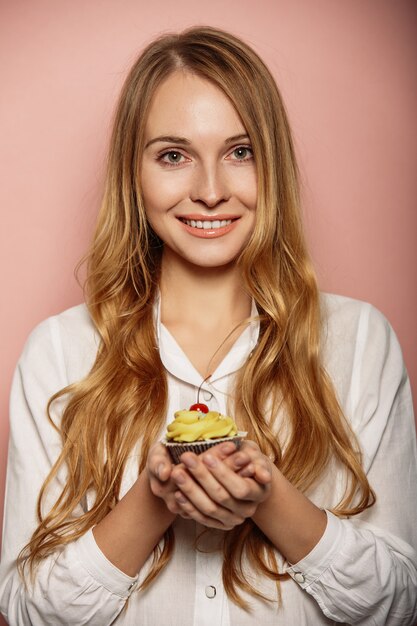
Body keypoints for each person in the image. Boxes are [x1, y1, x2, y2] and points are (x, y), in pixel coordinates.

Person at [0, 26, 416, 626]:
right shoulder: (60, 352)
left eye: (240, 152)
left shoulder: (361, 343)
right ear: (133, 174)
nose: (211, 191)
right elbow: (26, 610)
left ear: (272, 165)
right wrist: (151, 501)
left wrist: (272, 500)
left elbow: (400, 602)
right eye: (174, 156)